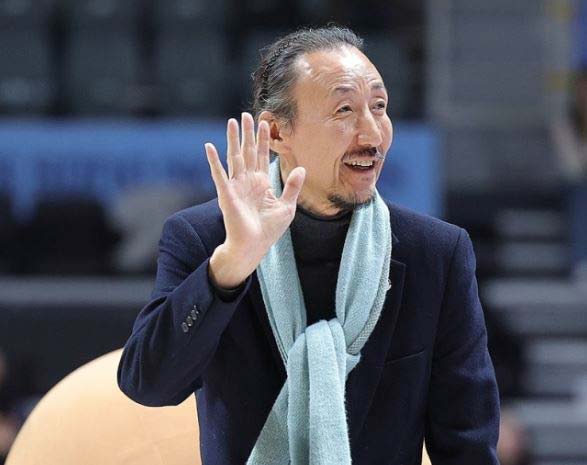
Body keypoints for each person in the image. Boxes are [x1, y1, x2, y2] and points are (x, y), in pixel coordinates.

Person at [117, 26, 500, 465]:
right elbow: (148, 384)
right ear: (276, 133)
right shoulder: (205, 238)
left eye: (379, 106)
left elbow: (467, 445)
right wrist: (229, 268)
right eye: (344, 110)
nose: (372, 134)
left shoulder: (435, 253)